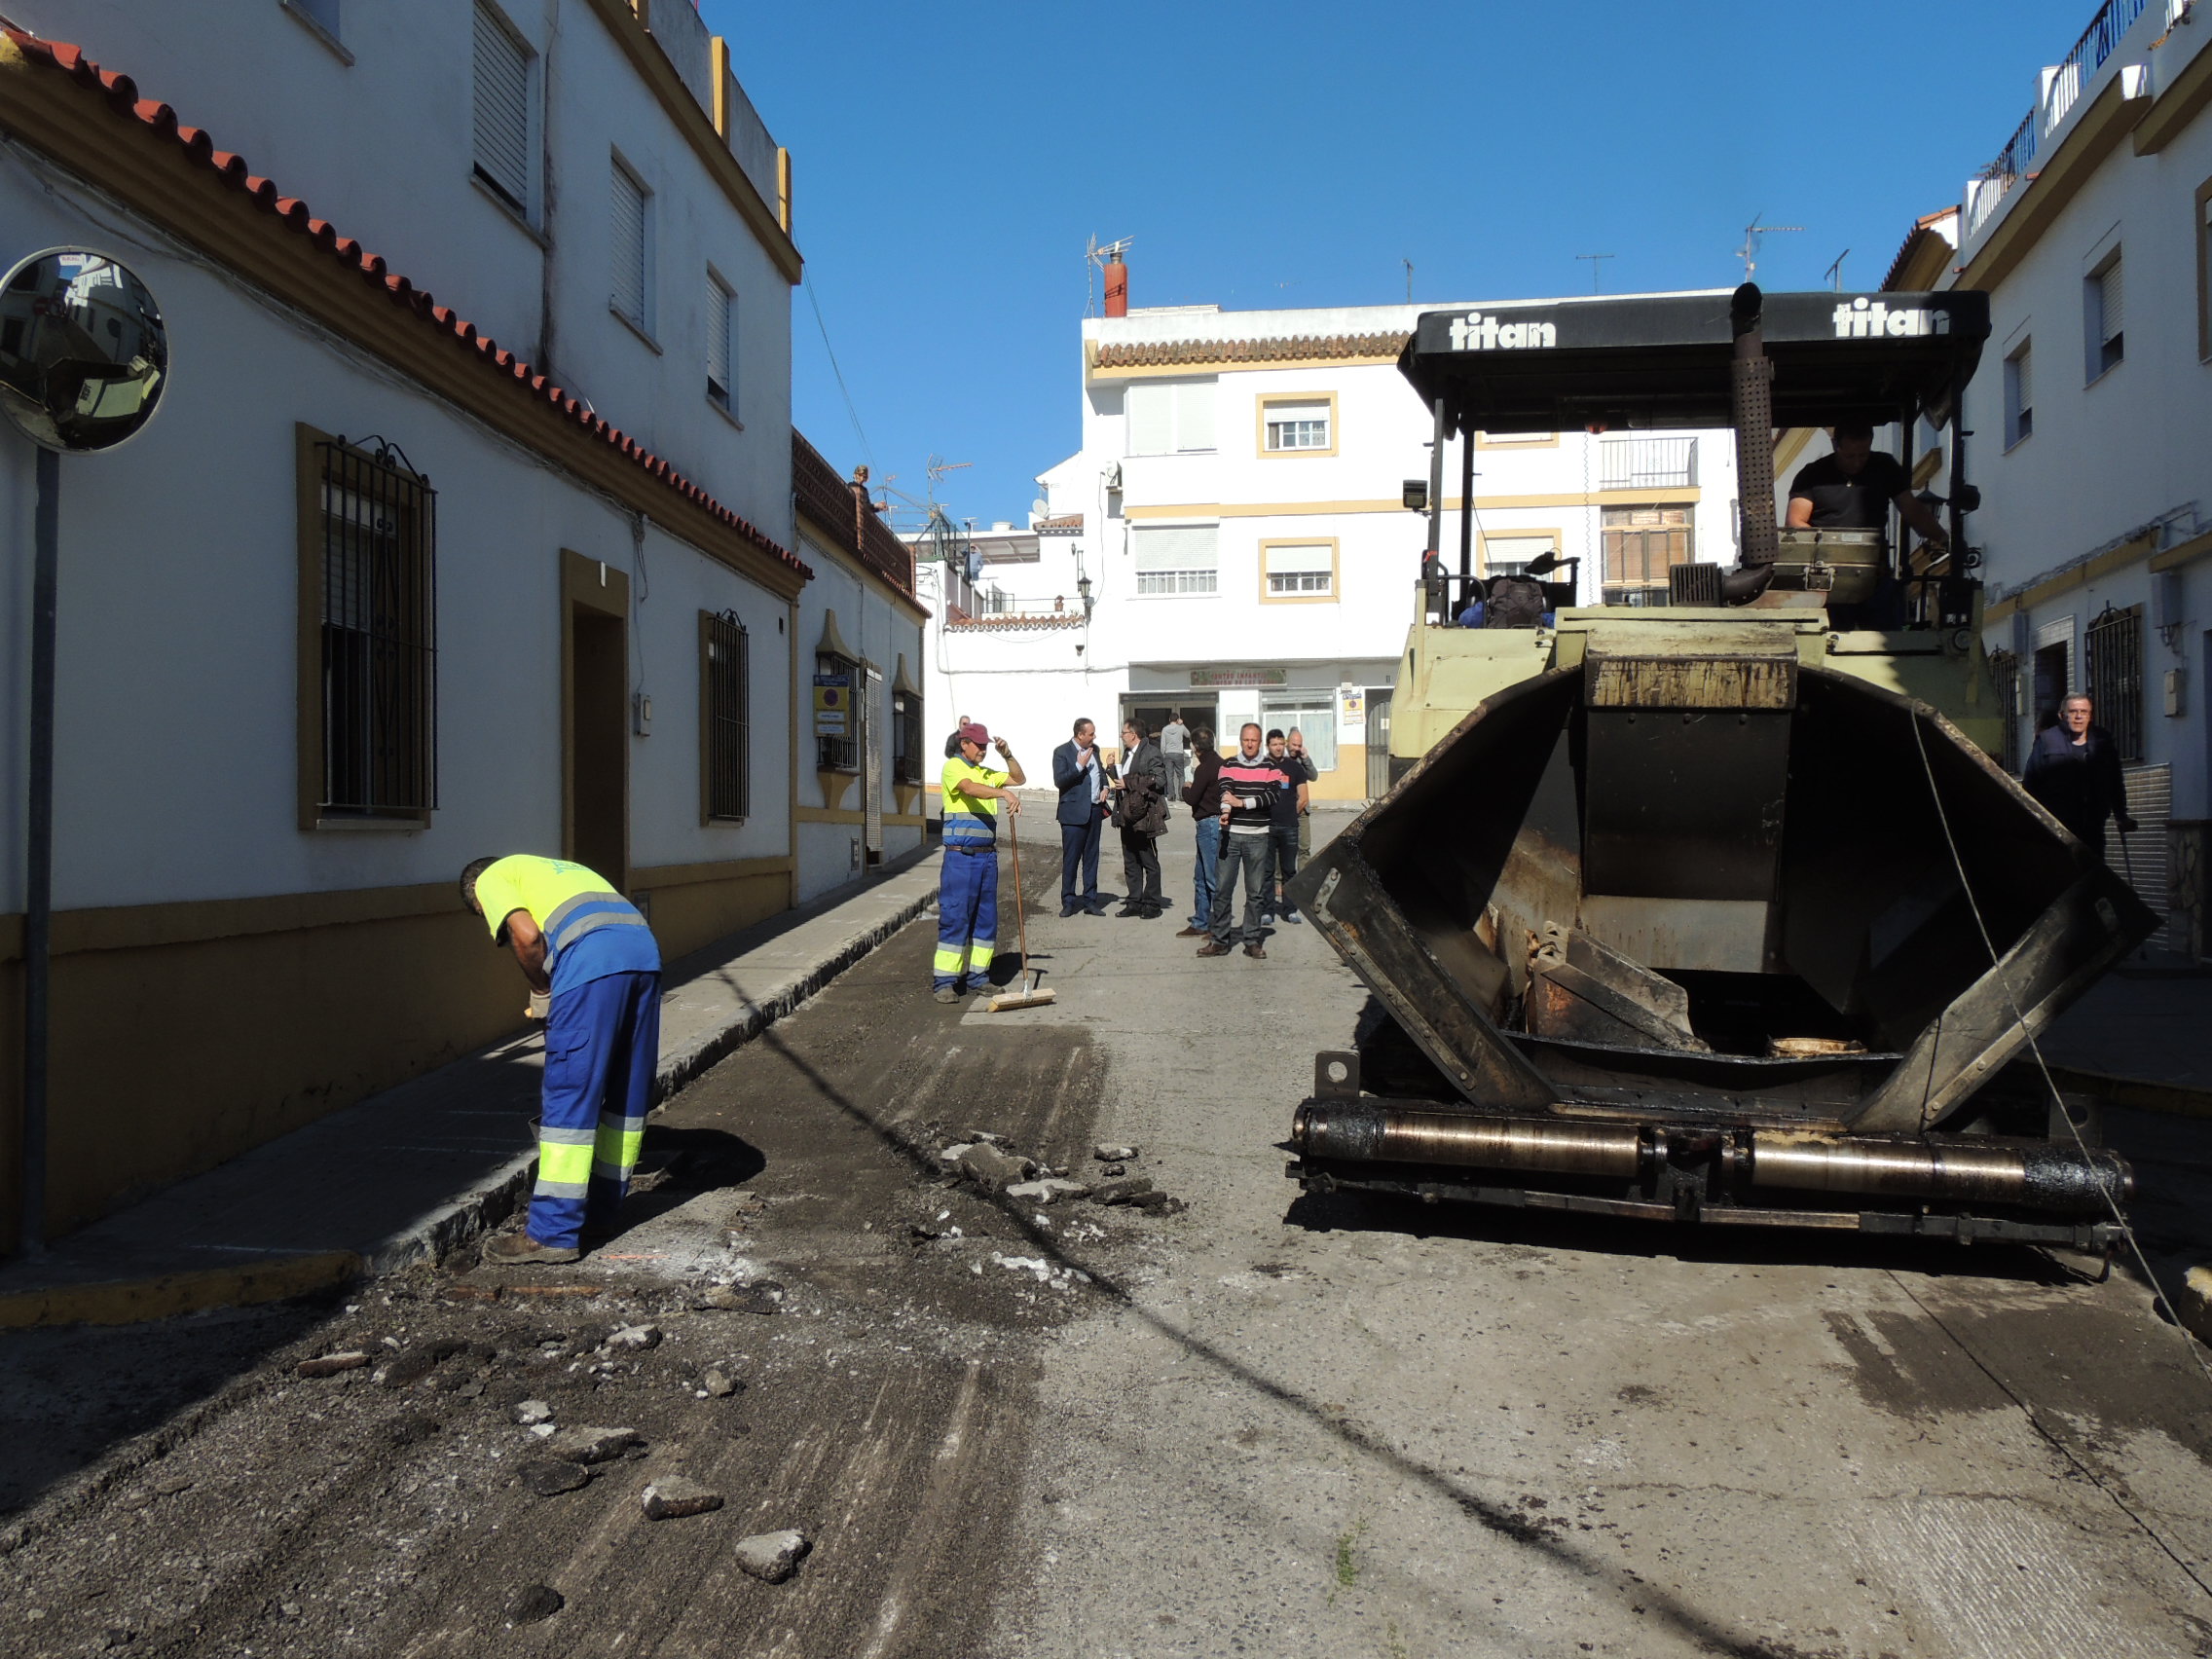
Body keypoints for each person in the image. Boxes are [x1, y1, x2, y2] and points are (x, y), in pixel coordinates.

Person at [461, 855, 662, 1265]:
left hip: (590, 964)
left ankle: (553, 1232)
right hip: (644, 957)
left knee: (571, 1090)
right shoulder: (556, 869)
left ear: (477, 897)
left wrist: (542, 994)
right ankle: (601, 1214)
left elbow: (528, 936)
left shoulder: (490, 879)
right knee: (626, 1089)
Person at [937, 722, 1025, 1003]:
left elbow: (1018, 778)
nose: (983, 750)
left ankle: (978, 977)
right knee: (955, 917)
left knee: (986, 920)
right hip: (960, 857)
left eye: (986, 746)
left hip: (987, 857)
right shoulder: (954, 767)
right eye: (979, 745)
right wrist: (1003, 793)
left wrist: (1007, 754)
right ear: (964, 743)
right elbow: (970, 788)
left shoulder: (986, 772)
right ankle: (945, 982)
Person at [1786, 423, 1949, 545]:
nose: (1857, 462)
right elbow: (1795, 521)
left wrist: (1943, 538)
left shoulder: (1884, 466)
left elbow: (1912, 509)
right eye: (1850, 456)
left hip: (1873, 558)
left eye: (1863, 455)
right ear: (1836, 446)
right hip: (1824, 561)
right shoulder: (1812, 474)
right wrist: (1828, 546)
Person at [1198, 723, 1281, 960]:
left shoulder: (1270, 767)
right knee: (1223, 889)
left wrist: (1242, 804)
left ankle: (1252, 940)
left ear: (1260, 742)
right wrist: (1226, 809)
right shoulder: (1229, 765)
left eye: (1254, 740)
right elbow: (1226, 791)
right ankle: (1219, 940)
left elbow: (1272, 796)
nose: (1249, 744)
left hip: (1258, 837)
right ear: (1241, 740)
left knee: (1255, 892)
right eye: (1246, 739)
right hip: (1231, 835)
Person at [2023, 692, 2136, 861]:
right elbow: (2031, 782)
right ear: (2062, 715)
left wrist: (2121, 815)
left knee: (2092, 872)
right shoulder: (2047, 740)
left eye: (2084, 712)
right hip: (2058, 825)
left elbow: (2114, 780)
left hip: (2093, 823)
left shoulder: (2102, 741)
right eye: (2073, 712)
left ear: (2090, 716)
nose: (2078, 717)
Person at [1108, 717, 1169, 918]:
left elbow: (1159, 780)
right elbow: (1124, 781)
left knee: (1148, 861)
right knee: (1130, 860)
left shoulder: (1151, 752)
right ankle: (1134, 901)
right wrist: (1111, 770)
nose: (1121, 736)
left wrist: (1129, 783)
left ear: (1133, 734)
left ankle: (1152, 904)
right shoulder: (1127, 753)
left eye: (1123, 732)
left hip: (1144, 816)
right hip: (1127, 814)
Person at [1051, 718, 1110, 917]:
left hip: (1094, 810)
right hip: (1073, 814)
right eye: (1091, 734)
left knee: (1091, 858)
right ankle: (1068, 901)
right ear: (1080, 734)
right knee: (1071, 859)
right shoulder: (1062, 752)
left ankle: (1090, 901)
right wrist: (1078, 766)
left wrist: (1105, 787)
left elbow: (1100, 772)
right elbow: (1060, 781)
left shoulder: (1096, 750)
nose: (1094, 737)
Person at [1262, 729, 1315, 924]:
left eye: (1280, 744)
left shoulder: (1294, 768)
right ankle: (1267, 911)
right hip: (1267, 828)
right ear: (1267, 746)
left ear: (1284, 745)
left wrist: (1288, 813)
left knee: (1289, 870)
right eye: (1273, 744)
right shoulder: (1261, 767)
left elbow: (1304, 797)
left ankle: (1290, 910)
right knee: (1267, 871)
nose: (1277, 747)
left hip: (1289, 827)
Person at [1179, 726, 1223, 939]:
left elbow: (1192, 798)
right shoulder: (1220, 763)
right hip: (1210, 825)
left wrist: (1186, 787)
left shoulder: (1206, 769)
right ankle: (1201, 921)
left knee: (1212, 878)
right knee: (1201, 877)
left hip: (1210, 825)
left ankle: (1219, 927)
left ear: (1195, 747)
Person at [1161, 711, 1191, 794]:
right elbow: (1188, 735)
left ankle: (1171, 795)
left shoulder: (1165, 729)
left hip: (1168, 754)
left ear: (1169, 719)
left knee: (1169, 776)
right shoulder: (1181, 727)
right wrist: (1182, 724)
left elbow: (1163, 744)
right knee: (1181, 775)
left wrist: (1163, 754)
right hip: (1178, 753)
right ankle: (1181, 795)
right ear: (1178, 720)